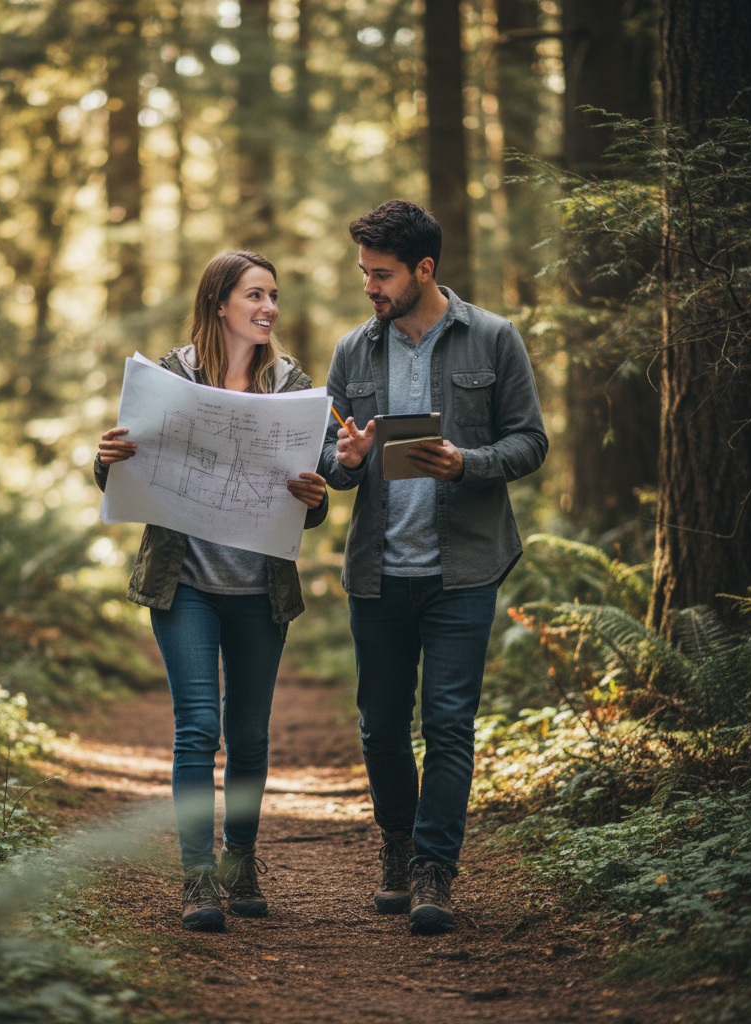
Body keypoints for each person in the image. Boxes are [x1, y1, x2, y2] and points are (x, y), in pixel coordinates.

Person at [318, 200, 547, 936]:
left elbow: (530, 442)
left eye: (381, 275)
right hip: (378, 571)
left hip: (465, 571)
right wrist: (343, 461)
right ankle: (397, 842)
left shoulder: (493, 339)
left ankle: (433, 869)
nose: (370, 289)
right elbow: (332, 464)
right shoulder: (355, 351)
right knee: (382, 728)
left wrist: (466, 463)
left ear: (425, 269)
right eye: (364, 274)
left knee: (448, 725)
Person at [94, 250, 328, 933]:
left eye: (274, 296)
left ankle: (239, 861)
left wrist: (314, 496)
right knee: (197, 730)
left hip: (261, 589)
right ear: (220, 302)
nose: (269, 308)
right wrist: (104, 460)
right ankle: (197, 876)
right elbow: (123, 472)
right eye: (256, 295)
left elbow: (310, 502)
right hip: (185, 583)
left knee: (249, 738)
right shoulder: (170, 378)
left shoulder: (293, 387)